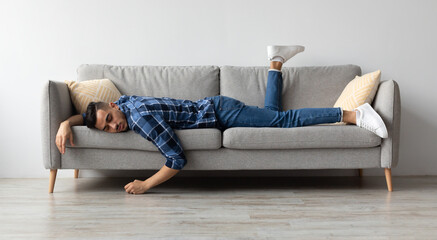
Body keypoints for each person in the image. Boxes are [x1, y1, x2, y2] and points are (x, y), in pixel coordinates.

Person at [55, 45, 388, 194]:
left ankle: (352, 113)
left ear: (113, 107)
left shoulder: (140, 119)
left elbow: (176, 158)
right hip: (216, 107)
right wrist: (67, 122)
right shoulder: (125, 103)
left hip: (220, 112)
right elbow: (90, 115)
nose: (115, 127)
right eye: (107, 127)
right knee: (272, 116)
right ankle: (275, 61)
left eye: (111, 119)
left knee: (283, 121)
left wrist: (145, 184)